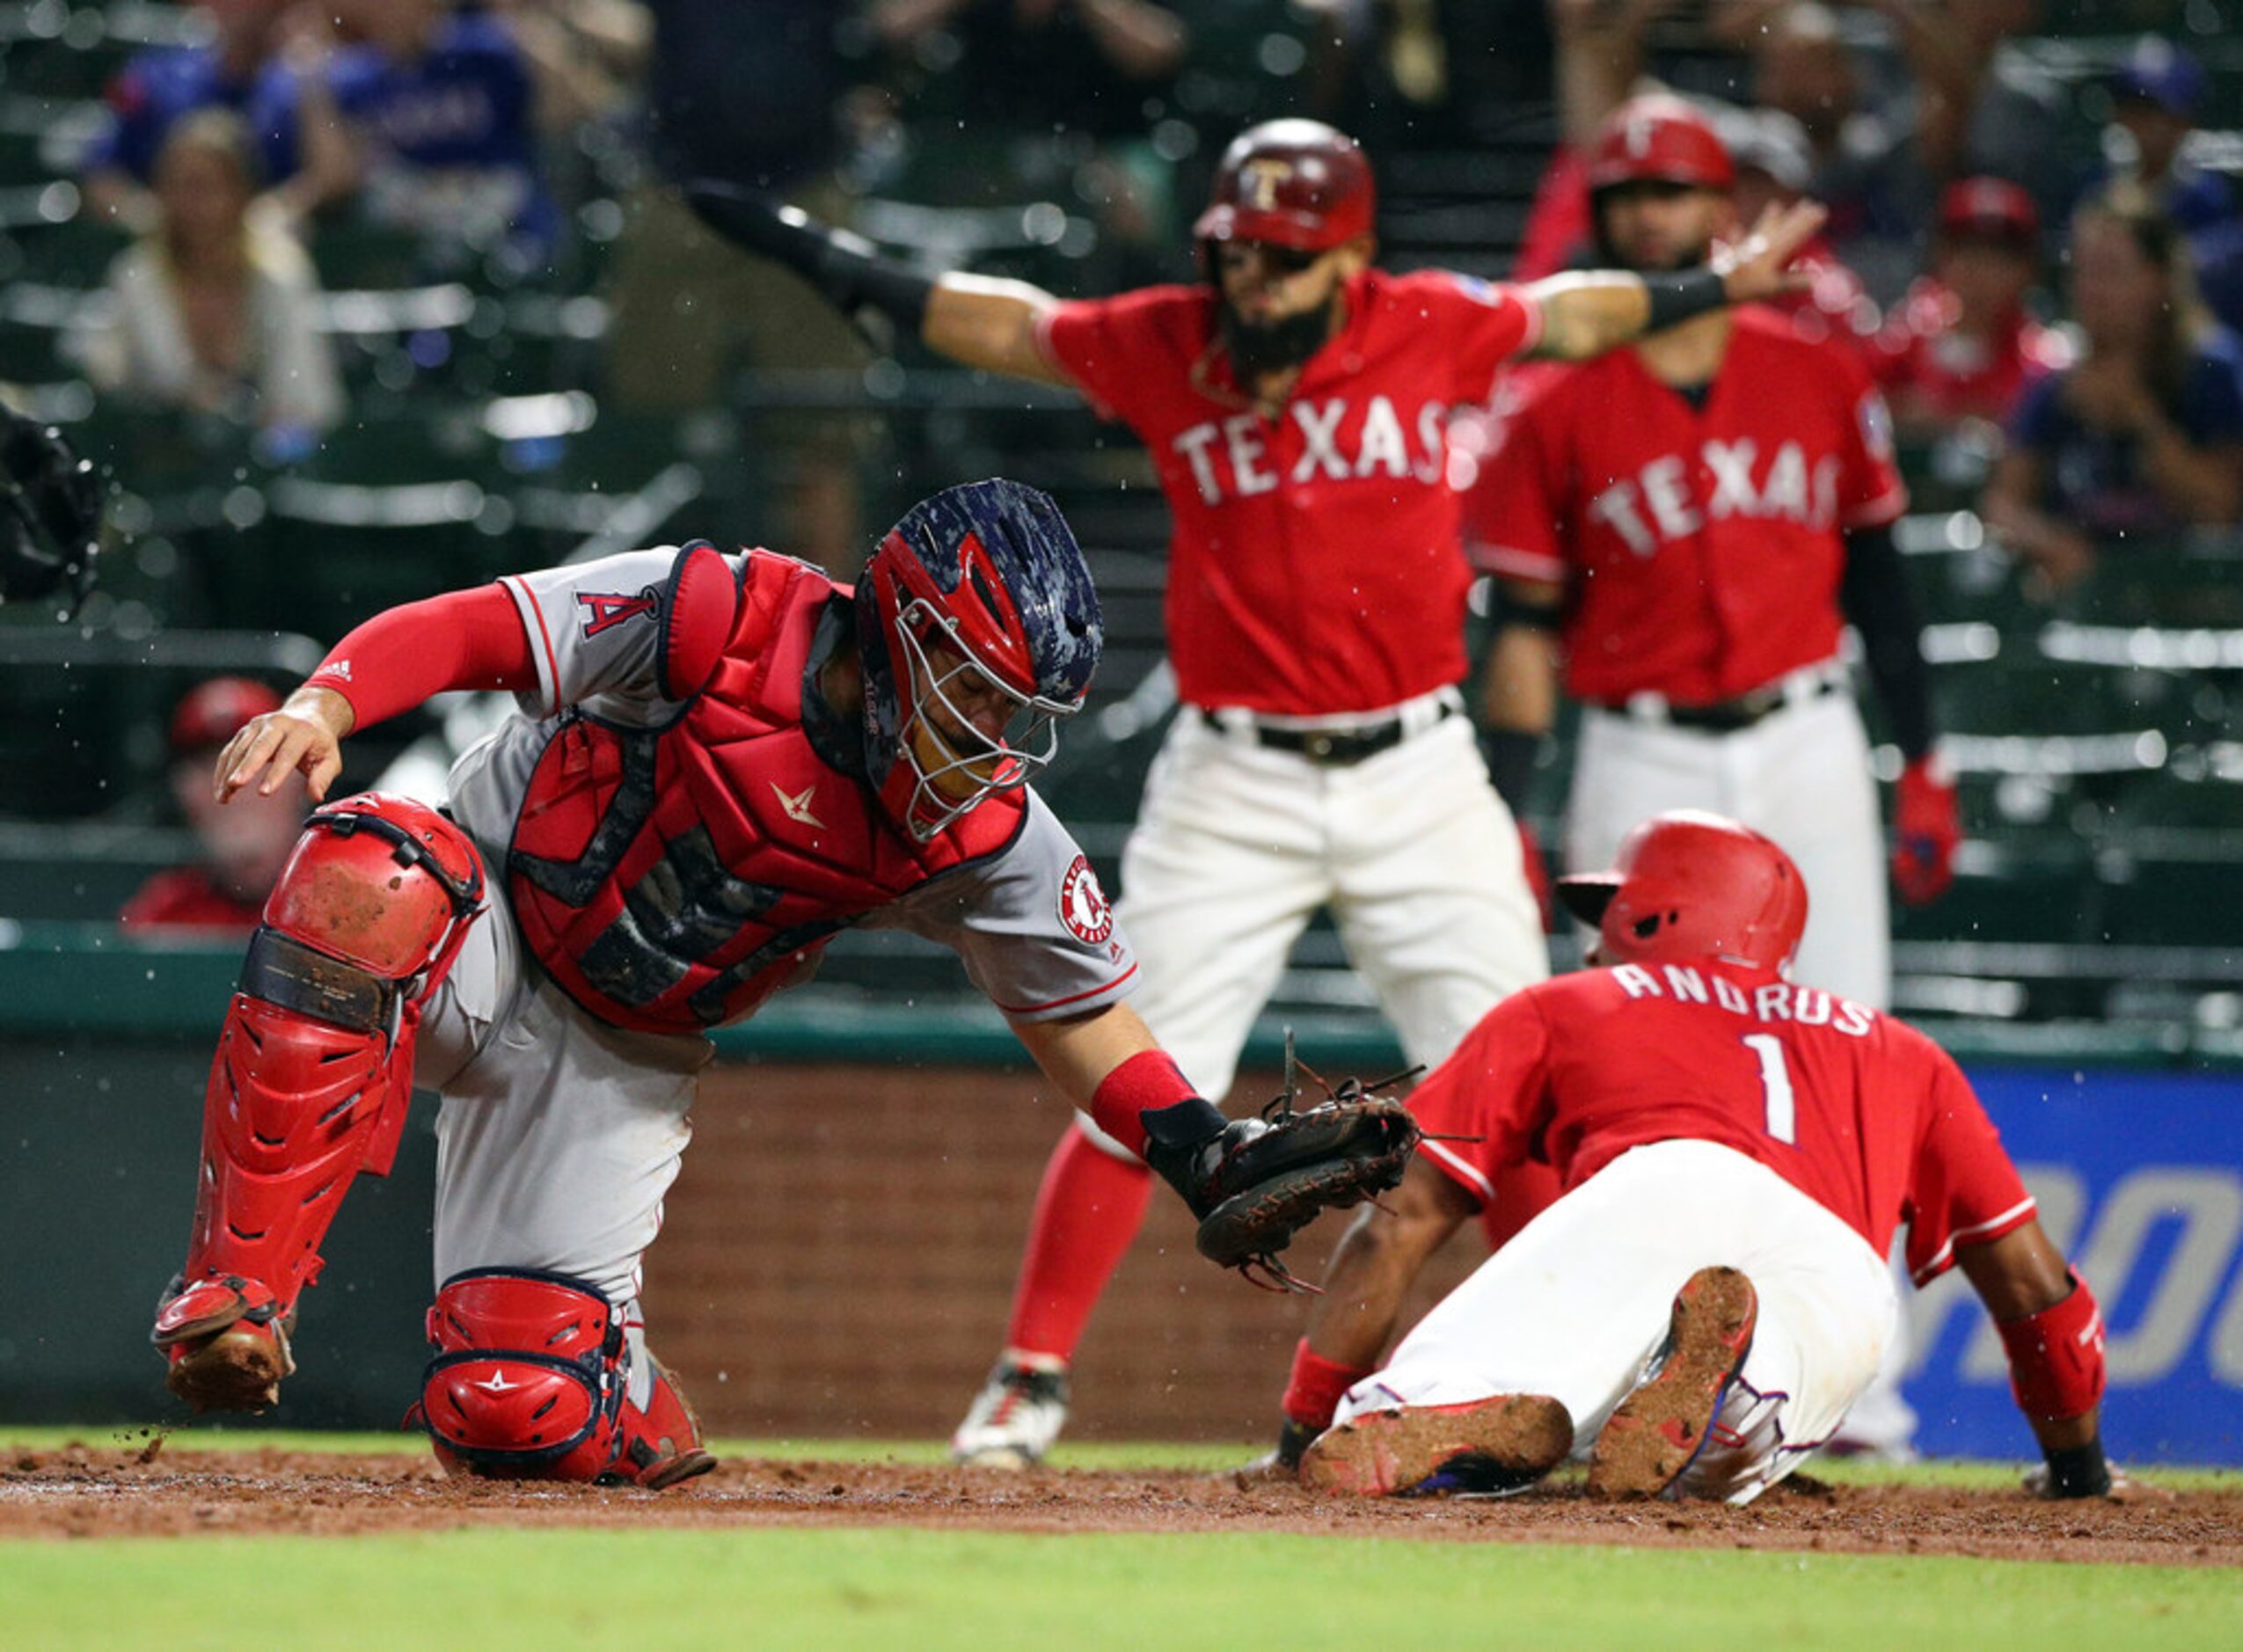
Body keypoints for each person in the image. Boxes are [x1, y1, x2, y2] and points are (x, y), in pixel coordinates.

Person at [684, 115, 1828, 1466]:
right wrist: (834, 262)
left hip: (1419, 765)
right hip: (1234, 775)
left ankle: (1615, 1372)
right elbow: (1002, 324)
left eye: (1287, 261)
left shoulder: (1427, 320)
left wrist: (1709, 287)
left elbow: (1573, 314)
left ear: (1350, 254)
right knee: (1135, 1056)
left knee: (1528, 1082)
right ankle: (1028, 1380)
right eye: (1240, 255)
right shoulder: (1170, 337)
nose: (1256, 286)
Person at [148, 479, 1375, 1488]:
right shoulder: (717, 611)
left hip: (618, 1050)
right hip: (482, 921)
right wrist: (330, 698)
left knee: (514, 1409)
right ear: (900, 629)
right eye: (977, 691)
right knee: (370, 866)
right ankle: (236, 1290)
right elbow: (479, 626)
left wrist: (1200, 1149)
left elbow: (1081, 1015)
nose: (993, 738)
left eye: (1017, 712)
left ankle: (619, 1395)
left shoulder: (990, 829)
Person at [1287, 809, 2122, 1507]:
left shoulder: (1567, 1002)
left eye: (1611, 914)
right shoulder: (1900, 1049)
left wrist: (1303, 1427)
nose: (1590, 947)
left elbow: (1398, 1225)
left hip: (1659, 1185)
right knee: (1760, 1405)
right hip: (1837, 1260)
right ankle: (1737, 1387)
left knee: (1492, 1362)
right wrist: (2078, 1470)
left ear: (1656, 916)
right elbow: (2033, 1286)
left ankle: (1430, 1407)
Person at [1471, 96, 1955, 1016]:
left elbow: (1879, 582)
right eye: (1628, 194)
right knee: (1631, 1037)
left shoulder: (1817, 371)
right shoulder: (1548, 408)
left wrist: (1925, 758)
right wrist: (1511, 808)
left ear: (1721, 210)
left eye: (1674, 191)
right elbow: (1525, 631)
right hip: (1639, 749)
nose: (1650, 215)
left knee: (1843, 1027)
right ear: (1598, 215)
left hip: (1809, 737)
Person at [1982, 189, 2243, 592]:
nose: (2092, 290)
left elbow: (2222, 508)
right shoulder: (2053, 378)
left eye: (2110, 271)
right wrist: (2050, 542)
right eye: (2082, 271)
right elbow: (2002, 507)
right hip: (2083, 606)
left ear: (2159, 280)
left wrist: (2141, 418)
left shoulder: (2212, 370)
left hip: (2189, 599)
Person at [66, 111, 343, 436]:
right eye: (175, 187)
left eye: (204, 187)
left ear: (242, 194)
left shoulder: (281, 276)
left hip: (266, 464)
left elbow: (308, 406)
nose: (188, 204)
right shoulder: (135, 276)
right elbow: (106, 384)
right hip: (159, 463)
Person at [79, 0, 301, 233]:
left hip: (261, 246)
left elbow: (332, 181)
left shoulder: (299, 86)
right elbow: (100, 173)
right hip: (161, 248)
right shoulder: (156, 77)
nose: (249, 11)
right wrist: (154, 221)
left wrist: (265, 219)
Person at [1874, 177, 2069, 439]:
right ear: (1941, 257)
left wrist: (1945, 418)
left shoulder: (2042, 359)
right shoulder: (1908, 333)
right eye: (1965, 254)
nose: (1978, 273)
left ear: (2027, 270)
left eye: (1997, 260)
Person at [121, 677, 304, 932]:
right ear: (183, 791)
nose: (234, 786)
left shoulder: (345, 898)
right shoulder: (165, 916)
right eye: (210, 768)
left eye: (253, 762)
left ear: (296, 780)